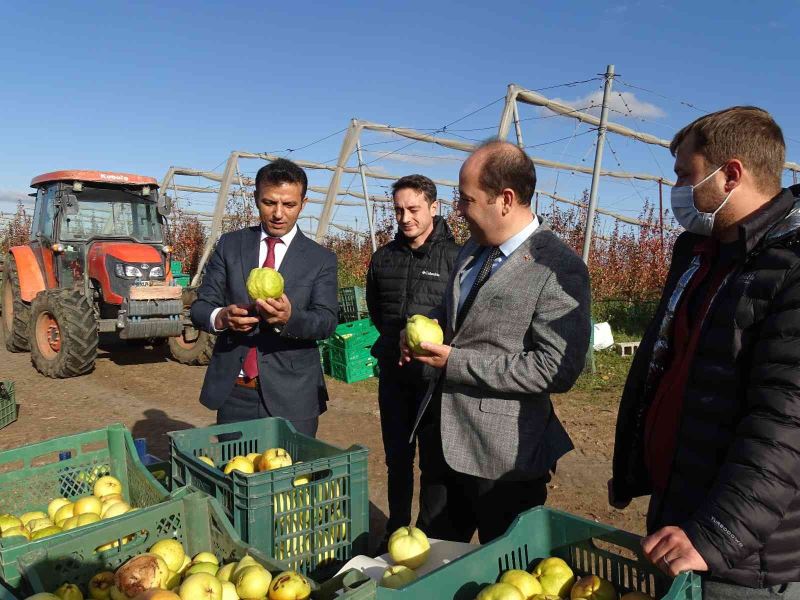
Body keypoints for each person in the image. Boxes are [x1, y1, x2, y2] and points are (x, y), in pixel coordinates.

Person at [610, 106, 800, 598]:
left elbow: (787, 421)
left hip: (743, 553)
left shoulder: (791, 265)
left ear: (730, 175)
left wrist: (720, 533)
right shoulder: (701, 252)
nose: (676, 189)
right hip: (682, 506)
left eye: (684, 175)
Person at [403, 140, 591, 543]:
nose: (459, 209)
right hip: (441, 440)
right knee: (431, 557)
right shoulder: (471, 250)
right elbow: (457, 314)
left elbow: (555, 367)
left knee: (503, 570)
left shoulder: (558, 268)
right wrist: (420, 329)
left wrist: (455, 362)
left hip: (502, 459)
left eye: (467, 200)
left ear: (505, 199)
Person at [191, 158, 337, 437]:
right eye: (269, 203)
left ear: (303, 204)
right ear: (256, 199)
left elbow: (327, 321)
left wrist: (289, 318)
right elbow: (201, 307)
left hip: (293, 395)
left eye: (290, 205)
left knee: (290, 476)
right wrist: (221, 317)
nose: (279, 213)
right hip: (235, 392)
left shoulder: (320, 259)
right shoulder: (231, 245)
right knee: (235, 471)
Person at [365, 174, 460, 549]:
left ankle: (430, 537)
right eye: (399, 210)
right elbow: (378, 311)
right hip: (395, 374)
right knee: (397, 459)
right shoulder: (383, 258)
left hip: (437, 381)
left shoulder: (457, 258)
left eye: (414, 209)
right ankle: (397, 531)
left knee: (435, 464)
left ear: (434, 208)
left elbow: (465, 319)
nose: (405, 218)